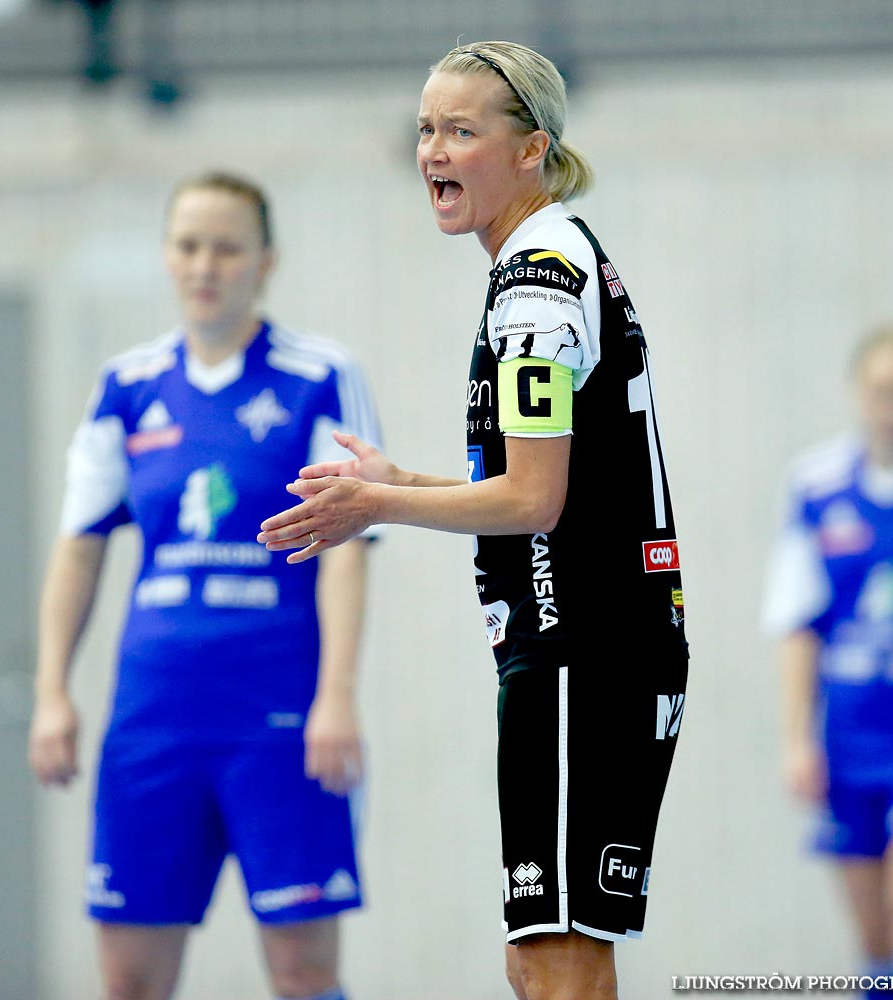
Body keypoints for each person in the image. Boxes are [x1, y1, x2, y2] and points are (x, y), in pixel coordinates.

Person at [257, 41, 688, 1000]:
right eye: (424, 129)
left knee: (560, 954)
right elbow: (537, 483)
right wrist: (403, 479)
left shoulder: (538, 280)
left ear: (531, 148)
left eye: (462, 130)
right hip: (577, 647)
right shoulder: (537, 265)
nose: (434, 152)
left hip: (587, 647)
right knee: (537, 956)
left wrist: (375, 505)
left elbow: (535, 501)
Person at [27, 171, 381, 1000]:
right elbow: (78, 546)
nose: (205, 265)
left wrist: (337, 695)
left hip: (280, 721)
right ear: (166, 256)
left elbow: (349, 549)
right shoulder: (127, 386)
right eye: (188, 245)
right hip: (153, 722)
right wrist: (53, 692)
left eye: (227, 247)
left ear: (266, 261)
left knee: (303, 970)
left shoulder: (320, 376)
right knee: (130, 978)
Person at [765, 327, 893, 1000]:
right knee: (878, 947)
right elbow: (798, 624)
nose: (892, 406)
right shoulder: (817, 488)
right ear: (859, 393)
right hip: (848, 744)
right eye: (880, 391)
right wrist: (797, 739)